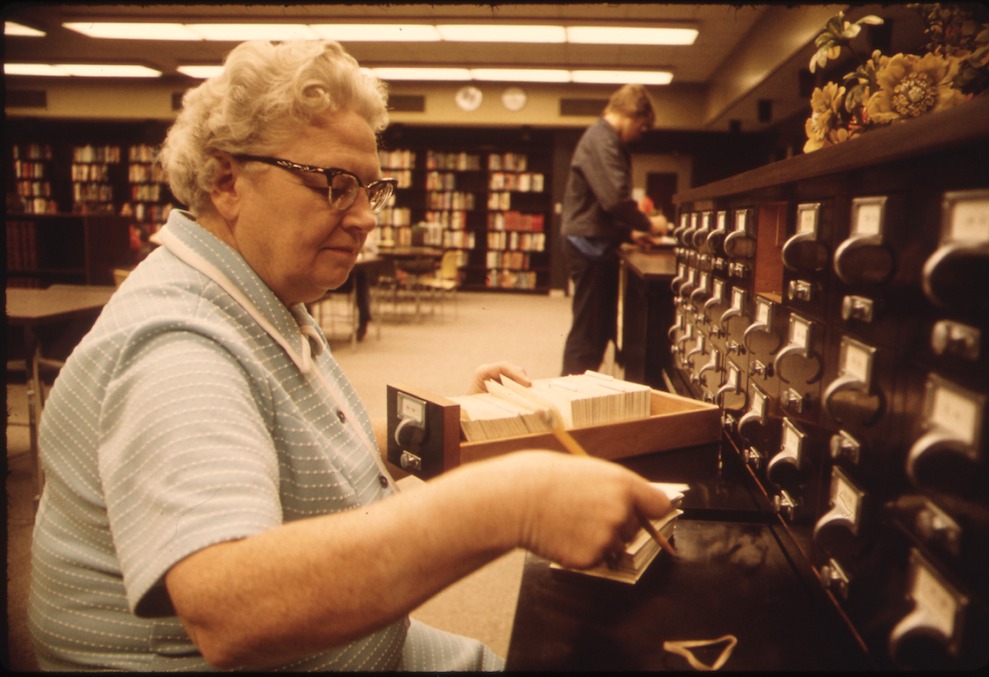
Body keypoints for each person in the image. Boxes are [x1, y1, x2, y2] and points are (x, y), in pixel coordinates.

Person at [28, 40, 673, 672]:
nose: (367, 219)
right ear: (228, 180)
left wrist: (450, 424)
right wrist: (513, 503)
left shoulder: (256, 294)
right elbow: (232, 609)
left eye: (372, 189)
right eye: (337, 184)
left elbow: (300, 451)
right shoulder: (178, 347)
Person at [559, 84, 670, 376]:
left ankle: (583, 398)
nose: (640, 133)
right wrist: (650, 224)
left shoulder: (603, 139)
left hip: (592, 242)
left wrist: (629, 234)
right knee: (588, 334)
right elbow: (614, 200)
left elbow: (599, 205)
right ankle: (569, 402)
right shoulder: (603, 139)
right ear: (633, 115)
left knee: (596, 331)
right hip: (588, 247)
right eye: (642, 126)